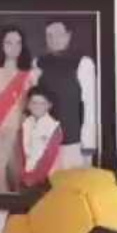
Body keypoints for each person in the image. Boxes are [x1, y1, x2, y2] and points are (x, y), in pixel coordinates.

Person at [0, 26, 40, 193]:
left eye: (18, 43)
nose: (14, 47)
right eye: (9, 42)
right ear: (1, 45)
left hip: (21, 136)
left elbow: (34, 107)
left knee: (21, 185)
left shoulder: (29, 74)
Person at [33, 20, 97, 169]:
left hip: (74, 143)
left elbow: (90, 105)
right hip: (45, 141)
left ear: (68, 36)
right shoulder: (37, 63)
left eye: (58, 34)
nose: (53, 39)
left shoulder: (83, 63)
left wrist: (88, 144)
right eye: (49, 35)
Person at [16, 87, 63, 189]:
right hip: (25, 179)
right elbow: (21, 154)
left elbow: (48, 158)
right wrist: (23, 176)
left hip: (46, 180)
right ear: (28, 105)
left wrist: (33, 178)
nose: (37, 106)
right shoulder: (25, 124)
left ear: (49, 105)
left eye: (42, 103)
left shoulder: (53, 127)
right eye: (34, 103)